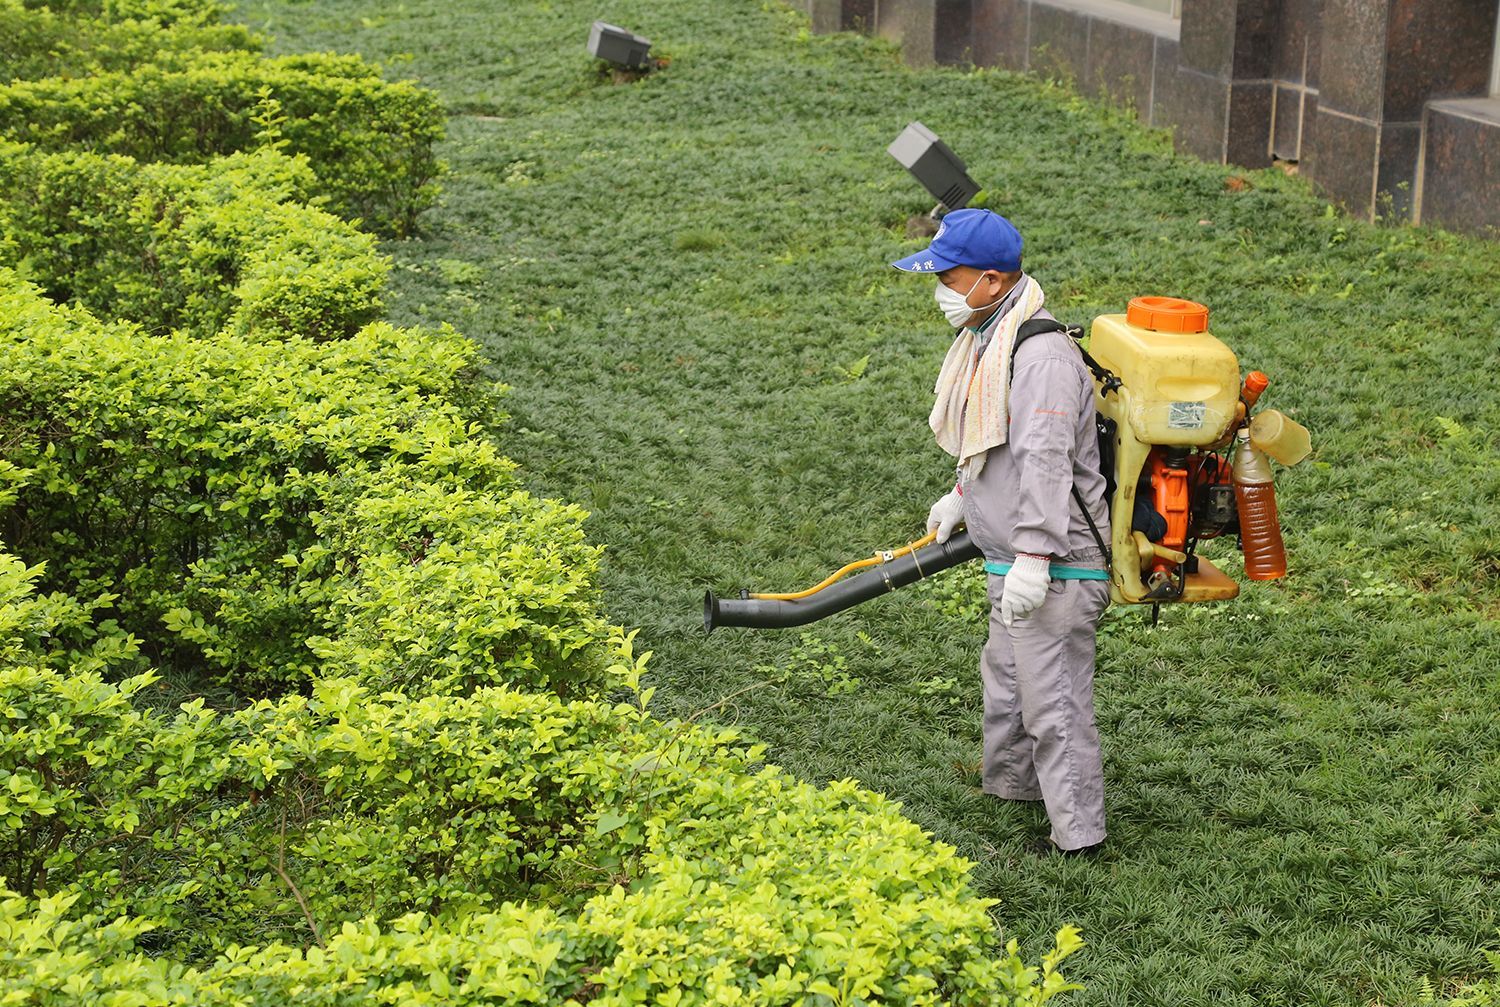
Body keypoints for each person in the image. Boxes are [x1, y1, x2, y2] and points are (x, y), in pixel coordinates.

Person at [891, 207, 1111, 856]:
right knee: (1009, 687)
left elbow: (1045, 462)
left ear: (992, 281)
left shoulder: (1040, 357)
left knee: (1054, 707)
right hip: (1008, 556)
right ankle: (1013, 791)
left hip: (1055, 568)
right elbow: (998, 442)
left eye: (948, 278)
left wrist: (1036, 558)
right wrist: (961, 494)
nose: (940, 292)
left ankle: (1080, 838)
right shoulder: (990, 336)